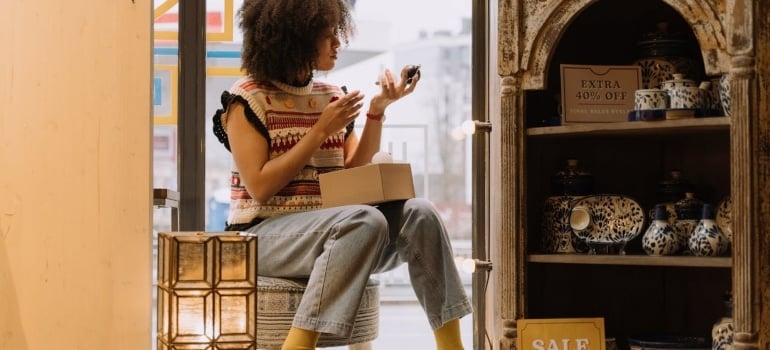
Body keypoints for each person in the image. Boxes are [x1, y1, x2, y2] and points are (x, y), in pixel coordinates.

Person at [211, 0, 473, 349]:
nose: (337, 43)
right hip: (263, 238)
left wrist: (377, 113)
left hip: (338, 232)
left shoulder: (332, 97)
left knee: (420, 212)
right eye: (327, 35)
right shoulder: (247, 100)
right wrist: (319, 132)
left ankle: (451, 345)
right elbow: (260, 186)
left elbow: (352, 176)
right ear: (298, 38)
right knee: (364, 221)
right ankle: (299, 345)